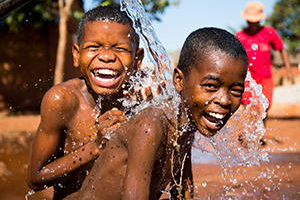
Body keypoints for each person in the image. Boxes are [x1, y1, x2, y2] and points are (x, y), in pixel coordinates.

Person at [76, 27, 249, 200]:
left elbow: (183, 191)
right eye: (211, 86)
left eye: (235, 90)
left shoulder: (184, 124)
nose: (225, 100)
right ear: (179, 81)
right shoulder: (150, 127)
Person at [26, 5, 151, 199]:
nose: (107, 57)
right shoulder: (63, 101)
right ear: (77, 55)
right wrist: (95, 147)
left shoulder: (141, 100)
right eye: (93, 47)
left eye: (120, 49)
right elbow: (36, 178)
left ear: (137, 60)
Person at [236, 1, 295, 111]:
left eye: (256, 21)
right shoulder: (240, 36)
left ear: (260, 20)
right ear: (246, 20)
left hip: (266, 77)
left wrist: (289, 70)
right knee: (250, 107)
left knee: (264, 107)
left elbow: (282, 49)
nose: (253, 24)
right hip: (248, 78)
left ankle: (262, 128)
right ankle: (251, 128)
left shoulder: (269, 33)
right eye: (250, 21)